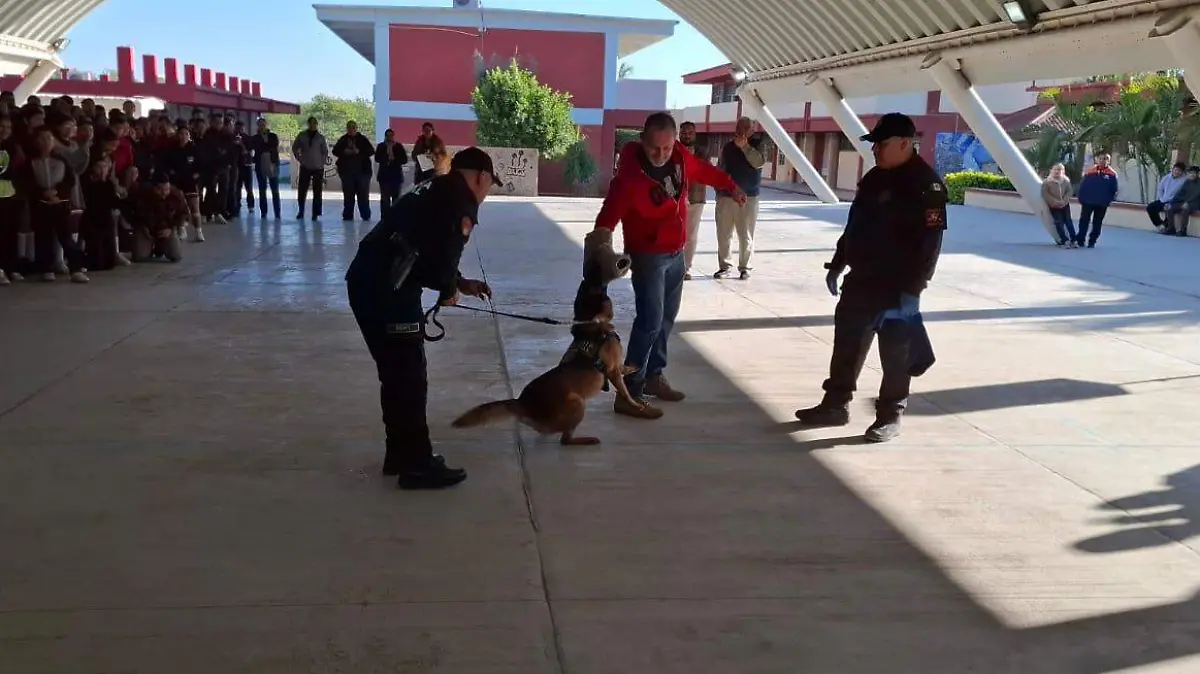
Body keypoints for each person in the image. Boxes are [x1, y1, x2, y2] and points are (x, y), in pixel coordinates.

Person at [344, 147, 500, 490]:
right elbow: (443, 258)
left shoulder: (430, 187)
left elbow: (424, 248)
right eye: (489, 185)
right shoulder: (461, 201)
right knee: (410, 378)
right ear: (481, 177)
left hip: (366, 283)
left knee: (396, 376)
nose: (486, 194)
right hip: (390, 293)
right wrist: (448, 290)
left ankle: (399, 454)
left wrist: (460, 283)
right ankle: (417, 465)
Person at [794, 112, 947, 443]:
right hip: (862, 278)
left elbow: (930, 244)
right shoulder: (875, 177)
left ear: (905, 144)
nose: (875, 149)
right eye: (874, 144)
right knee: (847, 344)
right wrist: (838, 261)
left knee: (895, 355)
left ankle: (889, 415)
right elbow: (855, 225)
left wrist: (913, 289)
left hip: (897, 285)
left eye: (882, 144)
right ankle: (835, 405)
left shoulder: (927, 185)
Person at [593, 111, 744, 419]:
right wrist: (600, 246)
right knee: (649, 321)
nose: (660, 155)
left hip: (676, 253)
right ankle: (629, 393)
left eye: (666, 147)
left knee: (666, 320)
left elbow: (704, 171)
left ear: (674, 141)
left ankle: (653, 376)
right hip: (647, 256)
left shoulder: (680, 158)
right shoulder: (629, 178)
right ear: (642, 141)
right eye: (654, 148)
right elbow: (607, 216)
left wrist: (730, 186)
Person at [21, 126, 88, 283]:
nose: (46, 141)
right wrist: (42, 192)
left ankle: (76, 269)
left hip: (60, 203)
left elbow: (70, 180)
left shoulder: (61, 159)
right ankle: (46, 268)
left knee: (65, 236)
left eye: (49, 138)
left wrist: (57, 192)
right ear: (36, 141)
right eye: (42, 138)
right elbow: (27, 182)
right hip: (40, 204)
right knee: (42, 237)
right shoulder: (31, 161)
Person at [714, 116, 765, 280]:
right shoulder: (728, 147)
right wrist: (718, 191)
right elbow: (720, 168)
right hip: (726, 197)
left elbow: (759, 163)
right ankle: (724, 266)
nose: (740, 131)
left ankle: (745, 267)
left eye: (744, 128)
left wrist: (744, 147)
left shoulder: (759, 144)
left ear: (752, 130)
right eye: (738, 127)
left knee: (746, 234)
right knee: (723, 234)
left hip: (749, 198)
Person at [131, 171, 186, 263]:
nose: (165, 192)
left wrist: (171, 228)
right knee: (139, 257)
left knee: (176, 256)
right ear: (154, 188)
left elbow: (183, 213)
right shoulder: (141, 193)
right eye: (161, 190)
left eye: (167, 189)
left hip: (166, 227)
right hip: (146, 227)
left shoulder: (176, 195)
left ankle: (161, 247)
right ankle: (149, 247)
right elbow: (132, 212)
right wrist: (142, 227)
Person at [678, 121, 710, 280]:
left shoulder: (703, 152)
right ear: (679, 133)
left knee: (691, 236)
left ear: (695, 134)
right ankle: (673, 267)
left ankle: (686, 267)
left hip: (696, 198)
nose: (686, 135)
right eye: (683, 132)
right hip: (675, 200)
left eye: (690, 132)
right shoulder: (672, 150)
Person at [0, 112, 25, 284]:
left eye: (8, 127)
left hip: (9, 193)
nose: (5, 130)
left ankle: (11, 267)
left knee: (9, 231)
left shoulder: (13, 146)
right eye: (1, 126)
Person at [332, 120, 374, 222]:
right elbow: (335, 151)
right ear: (347, 128)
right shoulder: (343, 139)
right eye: (349, 127)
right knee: (348, 196)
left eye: (353, 127)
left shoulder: (362, 139)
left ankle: (365, 215)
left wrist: (359, 152)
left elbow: (371, 151)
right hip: (347, 173)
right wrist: (344, 151)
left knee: (363, 195)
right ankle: (347, 215)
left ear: (356, 128)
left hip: (362, 173)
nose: (351, 129)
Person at [1075, 153, 1119, 248]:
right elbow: (1083, 186)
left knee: (1097, 223)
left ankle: (1092, 241)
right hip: (1087, 202)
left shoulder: (1112, 174)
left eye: (1105, 159)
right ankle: (1080, 240)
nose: (1103, 160)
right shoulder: (1090, 172)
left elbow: (1114, 190)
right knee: (1084, 221)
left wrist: (1107, 201)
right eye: (1101, 158)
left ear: (1109, 161)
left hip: (1101, 204)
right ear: (1097, 159)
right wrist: (1081, 198)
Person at [291, 116, 328, 221]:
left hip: (318, 168)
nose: (312, 125)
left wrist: (321, 162)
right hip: (305, 166)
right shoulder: (302, 135)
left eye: (314, 123)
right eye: (310, 123)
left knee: (317, 191)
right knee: (302, 190)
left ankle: (315, 213)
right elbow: (295, 148)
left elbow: (325, 152)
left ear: (316, 124)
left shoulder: (320, 137)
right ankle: (301, 211)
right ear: (308, 124)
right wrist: (299, 158)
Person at [247, 118, 281, 219]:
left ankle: (277, 212)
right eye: (260, 125)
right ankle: (264, 212)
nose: (262, 126)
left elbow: (273, 146)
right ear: (258, 126)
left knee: (275, 190)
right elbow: (250, 148)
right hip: (260, 165)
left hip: (273, 164)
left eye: (263, 124)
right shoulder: (255, 138)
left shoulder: (273, 136)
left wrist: (262, 147)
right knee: (262, 190)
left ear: (266, 125)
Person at [1041, 163, 1076, 247]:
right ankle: (1065, 240)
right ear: (1051, 170)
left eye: (1059, 169)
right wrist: (1055, 202)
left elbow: (1069, 191)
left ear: (1063, 171)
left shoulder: (1066, 181)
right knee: (1059, 222)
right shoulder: (1047, 182)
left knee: (1068, 222)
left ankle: (1074, 239)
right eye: (1055, 169)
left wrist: (1064, 201)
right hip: (1054, 206)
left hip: (1065, 205)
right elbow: (1045, 194)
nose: (1057, 171)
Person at [376, 129, 408, 211]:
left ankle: (395, 217)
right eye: (387, 135)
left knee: (396, 199)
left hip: (396, 176)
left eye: (391, 135)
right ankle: (384, 217)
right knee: (385, 199)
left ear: (393, 136)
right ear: (385, 136)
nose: (389, 137)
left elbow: (404, 160)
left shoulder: (398, 146)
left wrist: (394, 158)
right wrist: (387, 156)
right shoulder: (381, 146)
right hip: (384, 176)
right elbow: (377, 158)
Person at [1148, 162, 1187, 230]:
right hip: (1163, 200)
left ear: (1182, 172)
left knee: (1169, 209)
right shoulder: (1166, 177)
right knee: (1150, 207)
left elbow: (1183, 194)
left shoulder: (1184, 180)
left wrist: (1171, 201)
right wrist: (1161, 199)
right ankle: (1159, 224)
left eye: (1179, 171)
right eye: (1176, 170)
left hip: (1174, 202)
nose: (1177, 172)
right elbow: (1160, 189)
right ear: (1173, 169)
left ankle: (1167, 227)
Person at [1166, 165, 1200, 237]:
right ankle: (1171, 228)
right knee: (1169, 208)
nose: (1192, 175)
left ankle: (1183, 230)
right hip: (1184, 203)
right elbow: (1179, 194)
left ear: (1197, 174)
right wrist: (1171, 202)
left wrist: (1188, 203)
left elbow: (1196, 196)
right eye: (1190, 173)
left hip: (1195, 204)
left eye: (1194, 173)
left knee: (1185, 208)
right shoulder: (1187, 182)